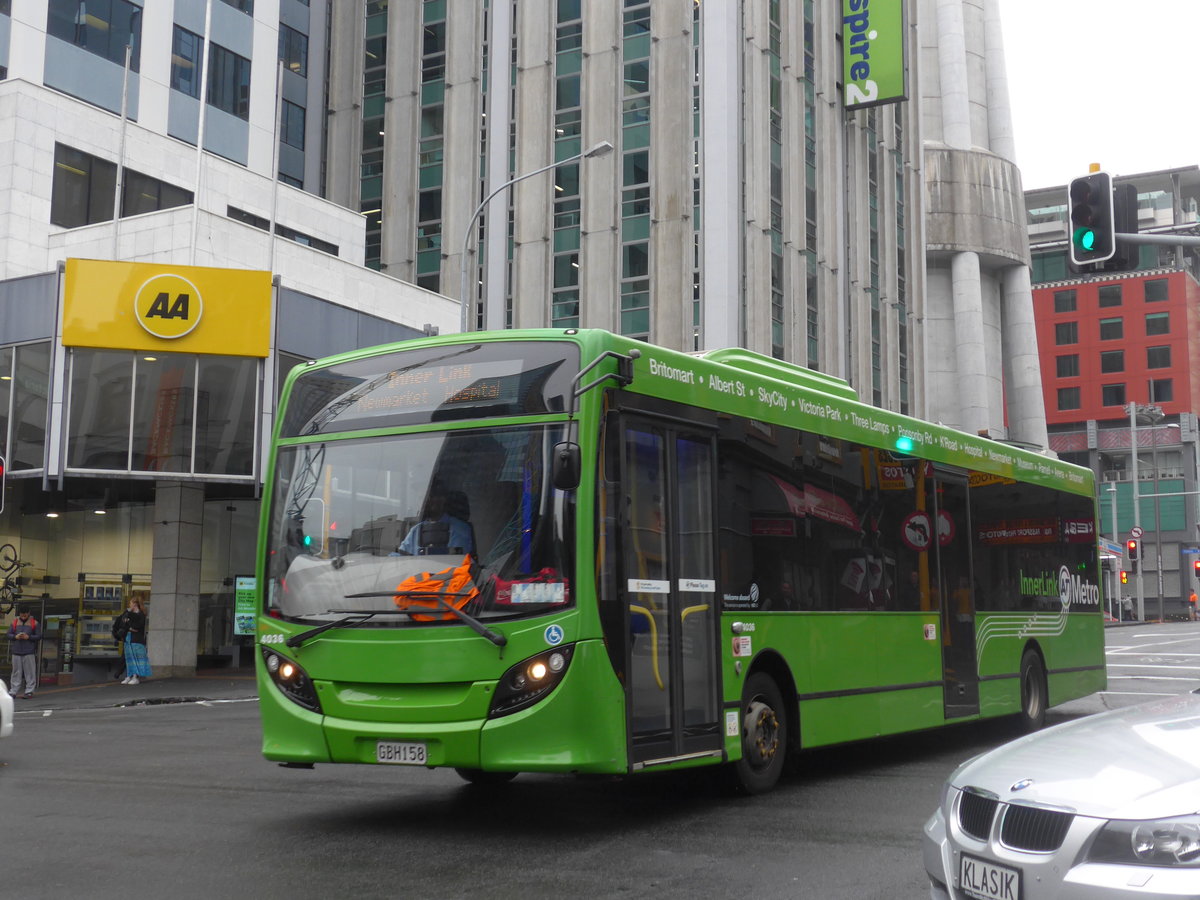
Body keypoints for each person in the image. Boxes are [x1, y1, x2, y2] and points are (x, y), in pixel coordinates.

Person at [397, 485, 474, 556]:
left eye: (428, 498)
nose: (424, 503)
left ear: (442, 499)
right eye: (421, 498)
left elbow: (457, 562)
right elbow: (400, 556)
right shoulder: (416, 530)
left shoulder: (459, 528)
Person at [114, 597, 151, 685]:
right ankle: (128, 676)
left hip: (136, 639)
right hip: (129, 638)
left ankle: (135, 677)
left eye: (131, 603)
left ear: (135, 604)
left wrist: (129, 627)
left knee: (136, 658)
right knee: (128, 658)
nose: (130, 605)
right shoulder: (128, 614)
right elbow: (124, 624)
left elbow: (137, 627)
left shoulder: (141, 615)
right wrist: (129, 627)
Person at [6, 604, 40, 699]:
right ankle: (13, 691)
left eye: (25, 613)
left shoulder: (35, 623)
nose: (23, 615)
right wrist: (15, 637)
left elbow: (39, 636)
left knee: (30, 672)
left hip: (29, 651)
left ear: (29, 613)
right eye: (22, 613)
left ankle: (29, 691)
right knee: (16, 672)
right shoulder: (15, 622)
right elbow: (8, 634)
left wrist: (28, 637)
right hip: (16, 651)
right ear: (19, 613)